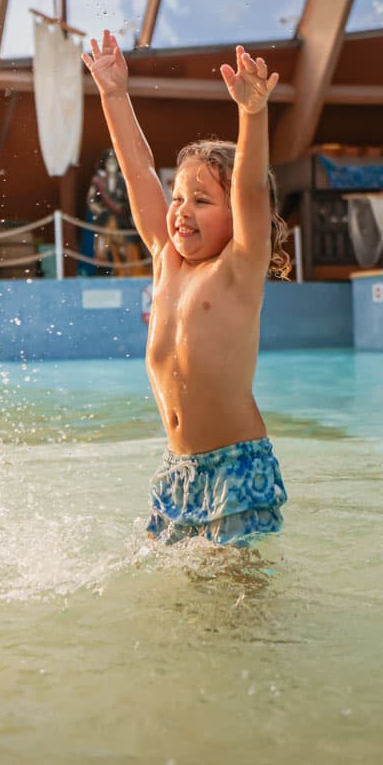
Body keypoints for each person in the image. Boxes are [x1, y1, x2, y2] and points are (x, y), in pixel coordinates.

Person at [83, 32, 290, 545]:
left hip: (237, 467)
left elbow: (250, 187)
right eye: (178, 197)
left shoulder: (238, 269)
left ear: (234, 217)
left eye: (202, 201)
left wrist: (252, 113)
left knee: (235, 592)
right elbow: (137, 171)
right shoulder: (165, 261)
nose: (181, 210)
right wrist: (114, 94)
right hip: (178, 471)